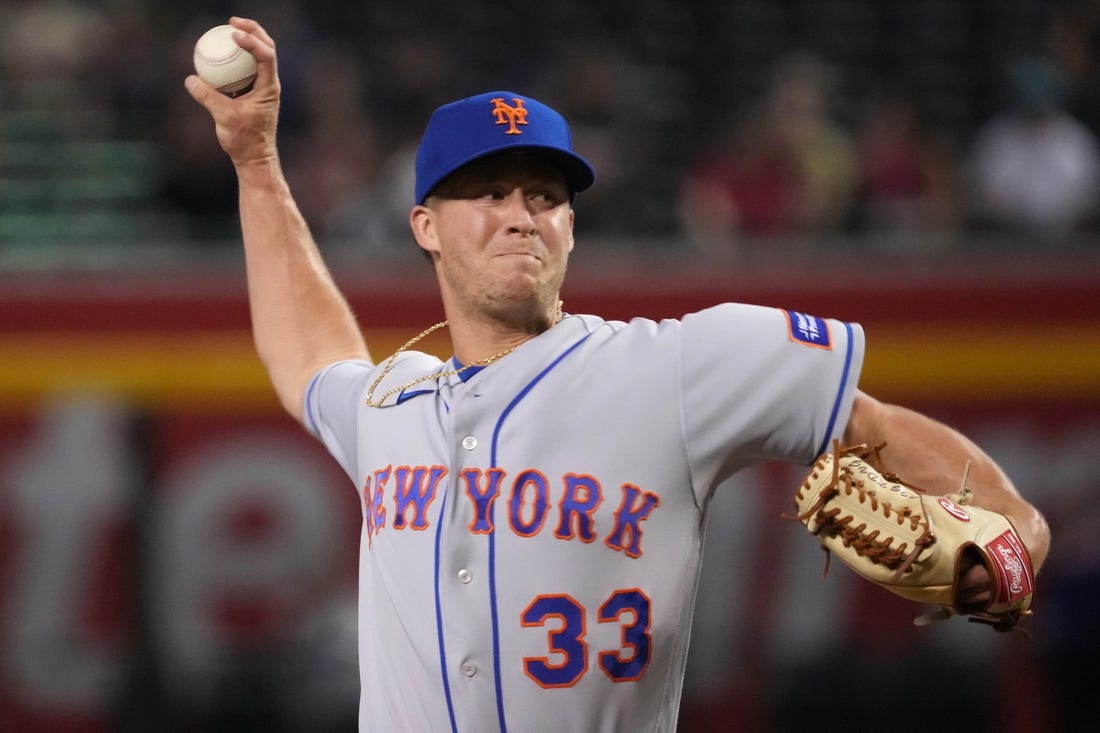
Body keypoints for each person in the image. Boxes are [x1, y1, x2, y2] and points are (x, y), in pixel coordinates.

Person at [185, 18, 1051, 733]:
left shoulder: (672, 368)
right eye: (487, 192)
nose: (520, 215)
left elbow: (880, 430)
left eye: (543, 195)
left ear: (571, 227)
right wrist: (256, 164)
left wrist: (1012, 545)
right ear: (425, 225)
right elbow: (310, 352)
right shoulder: (394, 400)